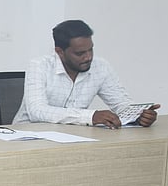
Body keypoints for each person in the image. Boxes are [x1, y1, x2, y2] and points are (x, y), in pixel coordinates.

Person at [13, 19, 159, 128]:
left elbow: (121, 104)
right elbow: (37, 111)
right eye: (80, 53)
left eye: (91, 50)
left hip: (75, 136)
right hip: (30, 135)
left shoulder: (100, 66)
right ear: (60, 52)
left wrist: (138, 115)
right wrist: (90, 116)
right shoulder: (39, 65)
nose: (88, 57)